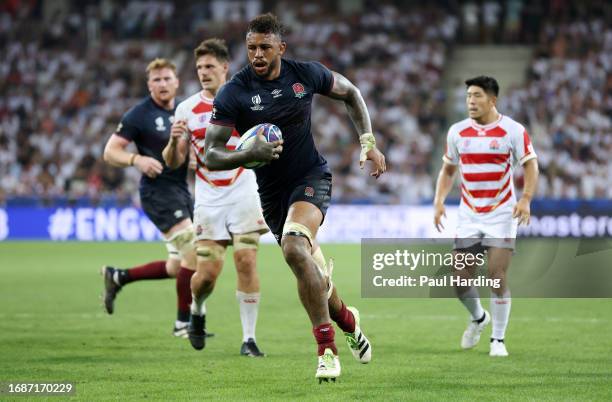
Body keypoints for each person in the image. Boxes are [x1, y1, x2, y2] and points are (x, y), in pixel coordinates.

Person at [203, 13, 386, 382]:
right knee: (312, 272)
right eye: (251, 47)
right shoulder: (234, 92)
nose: (257, 54)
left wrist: (368, 143)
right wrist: (246, 154)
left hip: (310, 177)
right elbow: (211, 153)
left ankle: (326, 350)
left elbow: (350, 92)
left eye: (265, 47)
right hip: (271, 193)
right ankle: (349, 321)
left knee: (293, 247)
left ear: (280, 49)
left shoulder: (305, 74)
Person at [163, 39, 267, 357]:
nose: (203, 72)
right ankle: (197, 309)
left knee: (246, 260)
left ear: (225, 67)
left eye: (209, 66)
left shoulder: (246, 98)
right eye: (199, 68)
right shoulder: (186, 109)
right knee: (207, 275)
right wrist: (173, 142)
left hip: (244, 190)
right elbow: (174, 162)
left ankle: (248, 339)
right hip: (208, 199)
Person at [433, 75, 539, 357]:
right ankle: (479, 318)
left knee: (496, 275)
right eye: (468, 95)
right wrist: (439, 200)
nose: (471, 101)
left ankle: (498, 340)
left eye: (477, 95)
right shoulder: (457, 132)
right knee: (459, 280)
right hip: (469, 214)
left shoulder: (513, 130)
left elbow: (531, 165)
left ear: (493, 100)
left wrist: (526, 199)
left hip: (502, 212)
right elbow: (448, 170)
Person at [102, 58, 197, 338]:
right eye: (156, 80)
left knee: (177, 266)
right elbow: (110, 151)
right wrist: (136, 159)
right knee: (193, 250)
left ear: (177, 82)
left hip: (181, 191)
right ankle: (183, 324)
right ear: (149, 85)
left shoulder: (184, 111)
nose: (163, 84)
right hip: (157, 192)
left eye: (167, 78)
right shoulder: (139, 114)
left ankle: (119, 276)